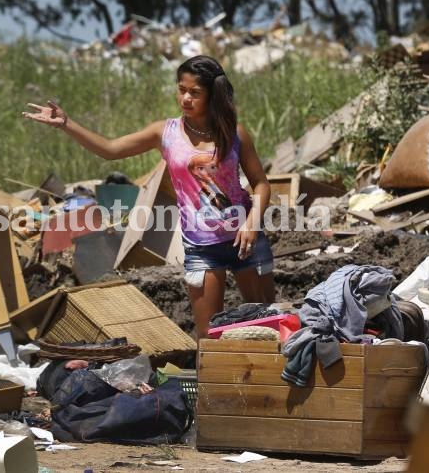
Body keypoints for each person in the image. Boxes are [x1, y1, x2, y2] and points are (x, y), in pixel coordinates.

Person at [23, 55, 275, 338]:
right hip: (202, 247)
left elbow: (261, 184)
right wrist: (67, 124)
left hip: (245, 240)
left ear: (213, 94)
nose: (185, 98)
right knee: (210, 335)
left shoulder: (235, 133)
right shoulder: (165, 133)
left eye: (195, 92)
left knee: (265, 325)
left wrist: (252, 224)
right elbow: (110, 149)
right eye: (181, 89)